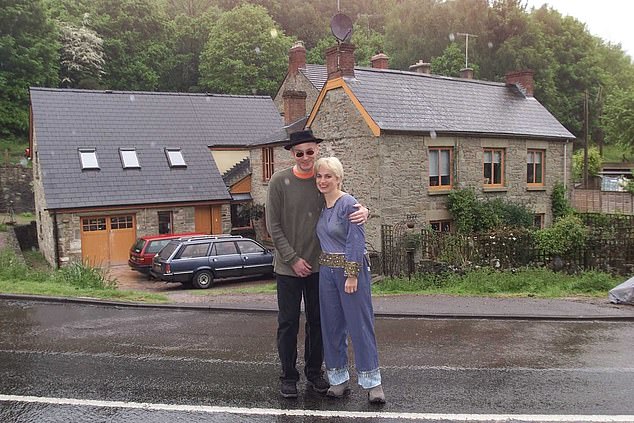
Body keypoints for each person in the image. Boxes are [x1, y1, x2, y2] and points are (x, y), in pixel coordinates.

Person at [265, 129, 368, 399]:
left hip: (320, 268)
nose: (305, 157)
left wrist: (363, 209)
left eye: (310, 152)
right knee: (287, 323)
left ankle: (314, 373)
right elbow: (273, 226)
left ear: (317, 152)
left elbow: (345, 202)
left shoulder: (322, 180)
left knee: (318, 323)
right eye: (299, 153)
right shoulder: (279, 181)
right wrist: (292, 258)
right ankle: (288, 376)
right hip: (288, 268)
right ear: (292, 154)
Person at [314, 156, 386, 404]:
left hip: (350, 272)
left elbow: (356, 239)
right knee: (332, 327)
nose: (323, 181)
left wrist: (352, 273)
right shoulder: (322, 205)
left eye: (328, 176)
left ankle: (372, 383)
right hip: (326, 273)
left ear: (339, 178)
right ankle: (338, 379)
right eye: (320, 176)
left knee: (360, 326)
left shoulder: (349, 204)